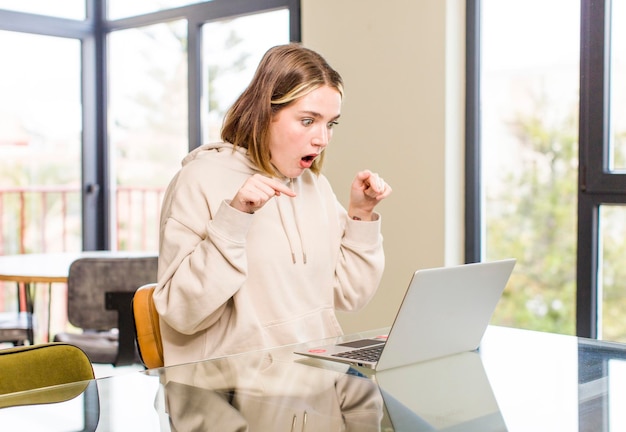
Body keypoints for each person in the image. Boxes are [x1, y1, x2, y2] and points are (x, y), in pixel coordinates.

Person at [154, 43, 392, 366]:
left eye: (330, 123)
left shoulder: (314, 186)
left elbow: (350, 294)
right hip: (229, 395)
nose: (322, 139)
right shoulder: (199, 180)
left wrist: (361, 215)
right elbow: (181, 312)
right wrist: (235, 217)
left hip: (315, 380)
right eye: (308, 121)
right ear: (265, 113)